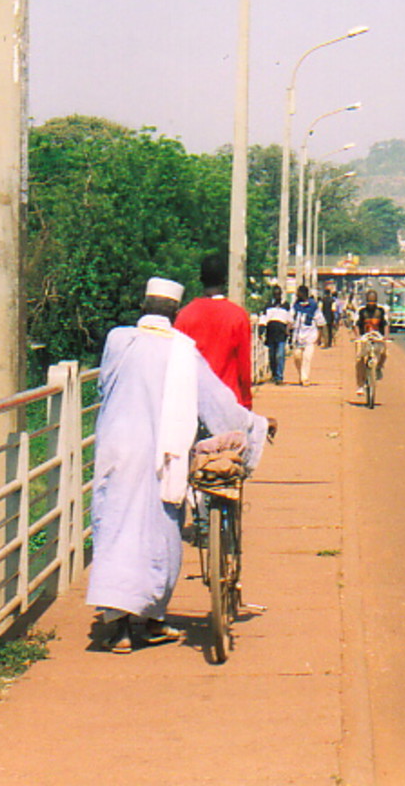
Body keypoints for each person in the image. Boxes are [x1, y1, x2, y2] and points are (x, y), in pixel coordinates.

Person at [88, 277, 273, 653]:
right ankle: (154, 620)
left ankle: (120, 629)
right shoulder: (182, 352)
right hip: (162, 454)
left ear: (143, 306)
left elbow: (104, 386)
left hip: (117, 449)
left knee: (114, 530)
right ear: (175, 313)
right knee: (159, 536)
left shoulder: (117, 341)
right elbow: (217, 405)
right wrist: (256, 425)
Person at [173, 252, 253, 409]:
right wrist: (246, 401)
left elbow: (176, 363)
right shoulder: (237, 315)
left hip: (193, 402)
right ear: (225, 280)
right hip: (229, 401)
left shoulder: (185, 315)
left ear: (201, 279)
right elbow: (244, 366)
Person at [353, 290, 388, 399]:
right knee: (359, 359)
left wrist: (385, 337)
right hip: (364, 338)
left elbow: (386, 325)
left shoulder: (381, 311)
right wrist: (358, 336)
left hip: (377, 337)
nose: (371, 303)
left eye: (373, 301)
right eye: (369, 301)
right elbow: (356, 325)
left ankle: (378, 368)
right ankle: (360, 385)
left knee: (385, 353)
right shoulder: (361, 311)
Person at [290, 283, 325, 385]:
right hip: (297, 337)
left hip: (310, 337)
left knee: (307, 358)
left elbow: (320, 322)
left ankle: (304, 378)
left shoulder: (313, 306)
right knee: (297, 357)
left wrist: (319, 337)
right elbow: (290, 319)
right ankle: (301, 373)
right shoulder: (295, 306)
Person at [260, 288, 291, 385]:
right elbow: (263, 318)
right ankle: (274, 374)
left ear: (281, 294)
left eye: (278, 294)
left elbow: (290, 319)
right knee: (272, 355)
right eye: (275, 294)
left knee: (280, 355)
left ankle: (279, 377)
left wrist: (289, 330)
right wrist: (261, 331)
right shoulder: (268, 305)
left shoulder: (286, 305)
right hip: (271, 333)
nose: (277, 296)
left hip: (281, 333)